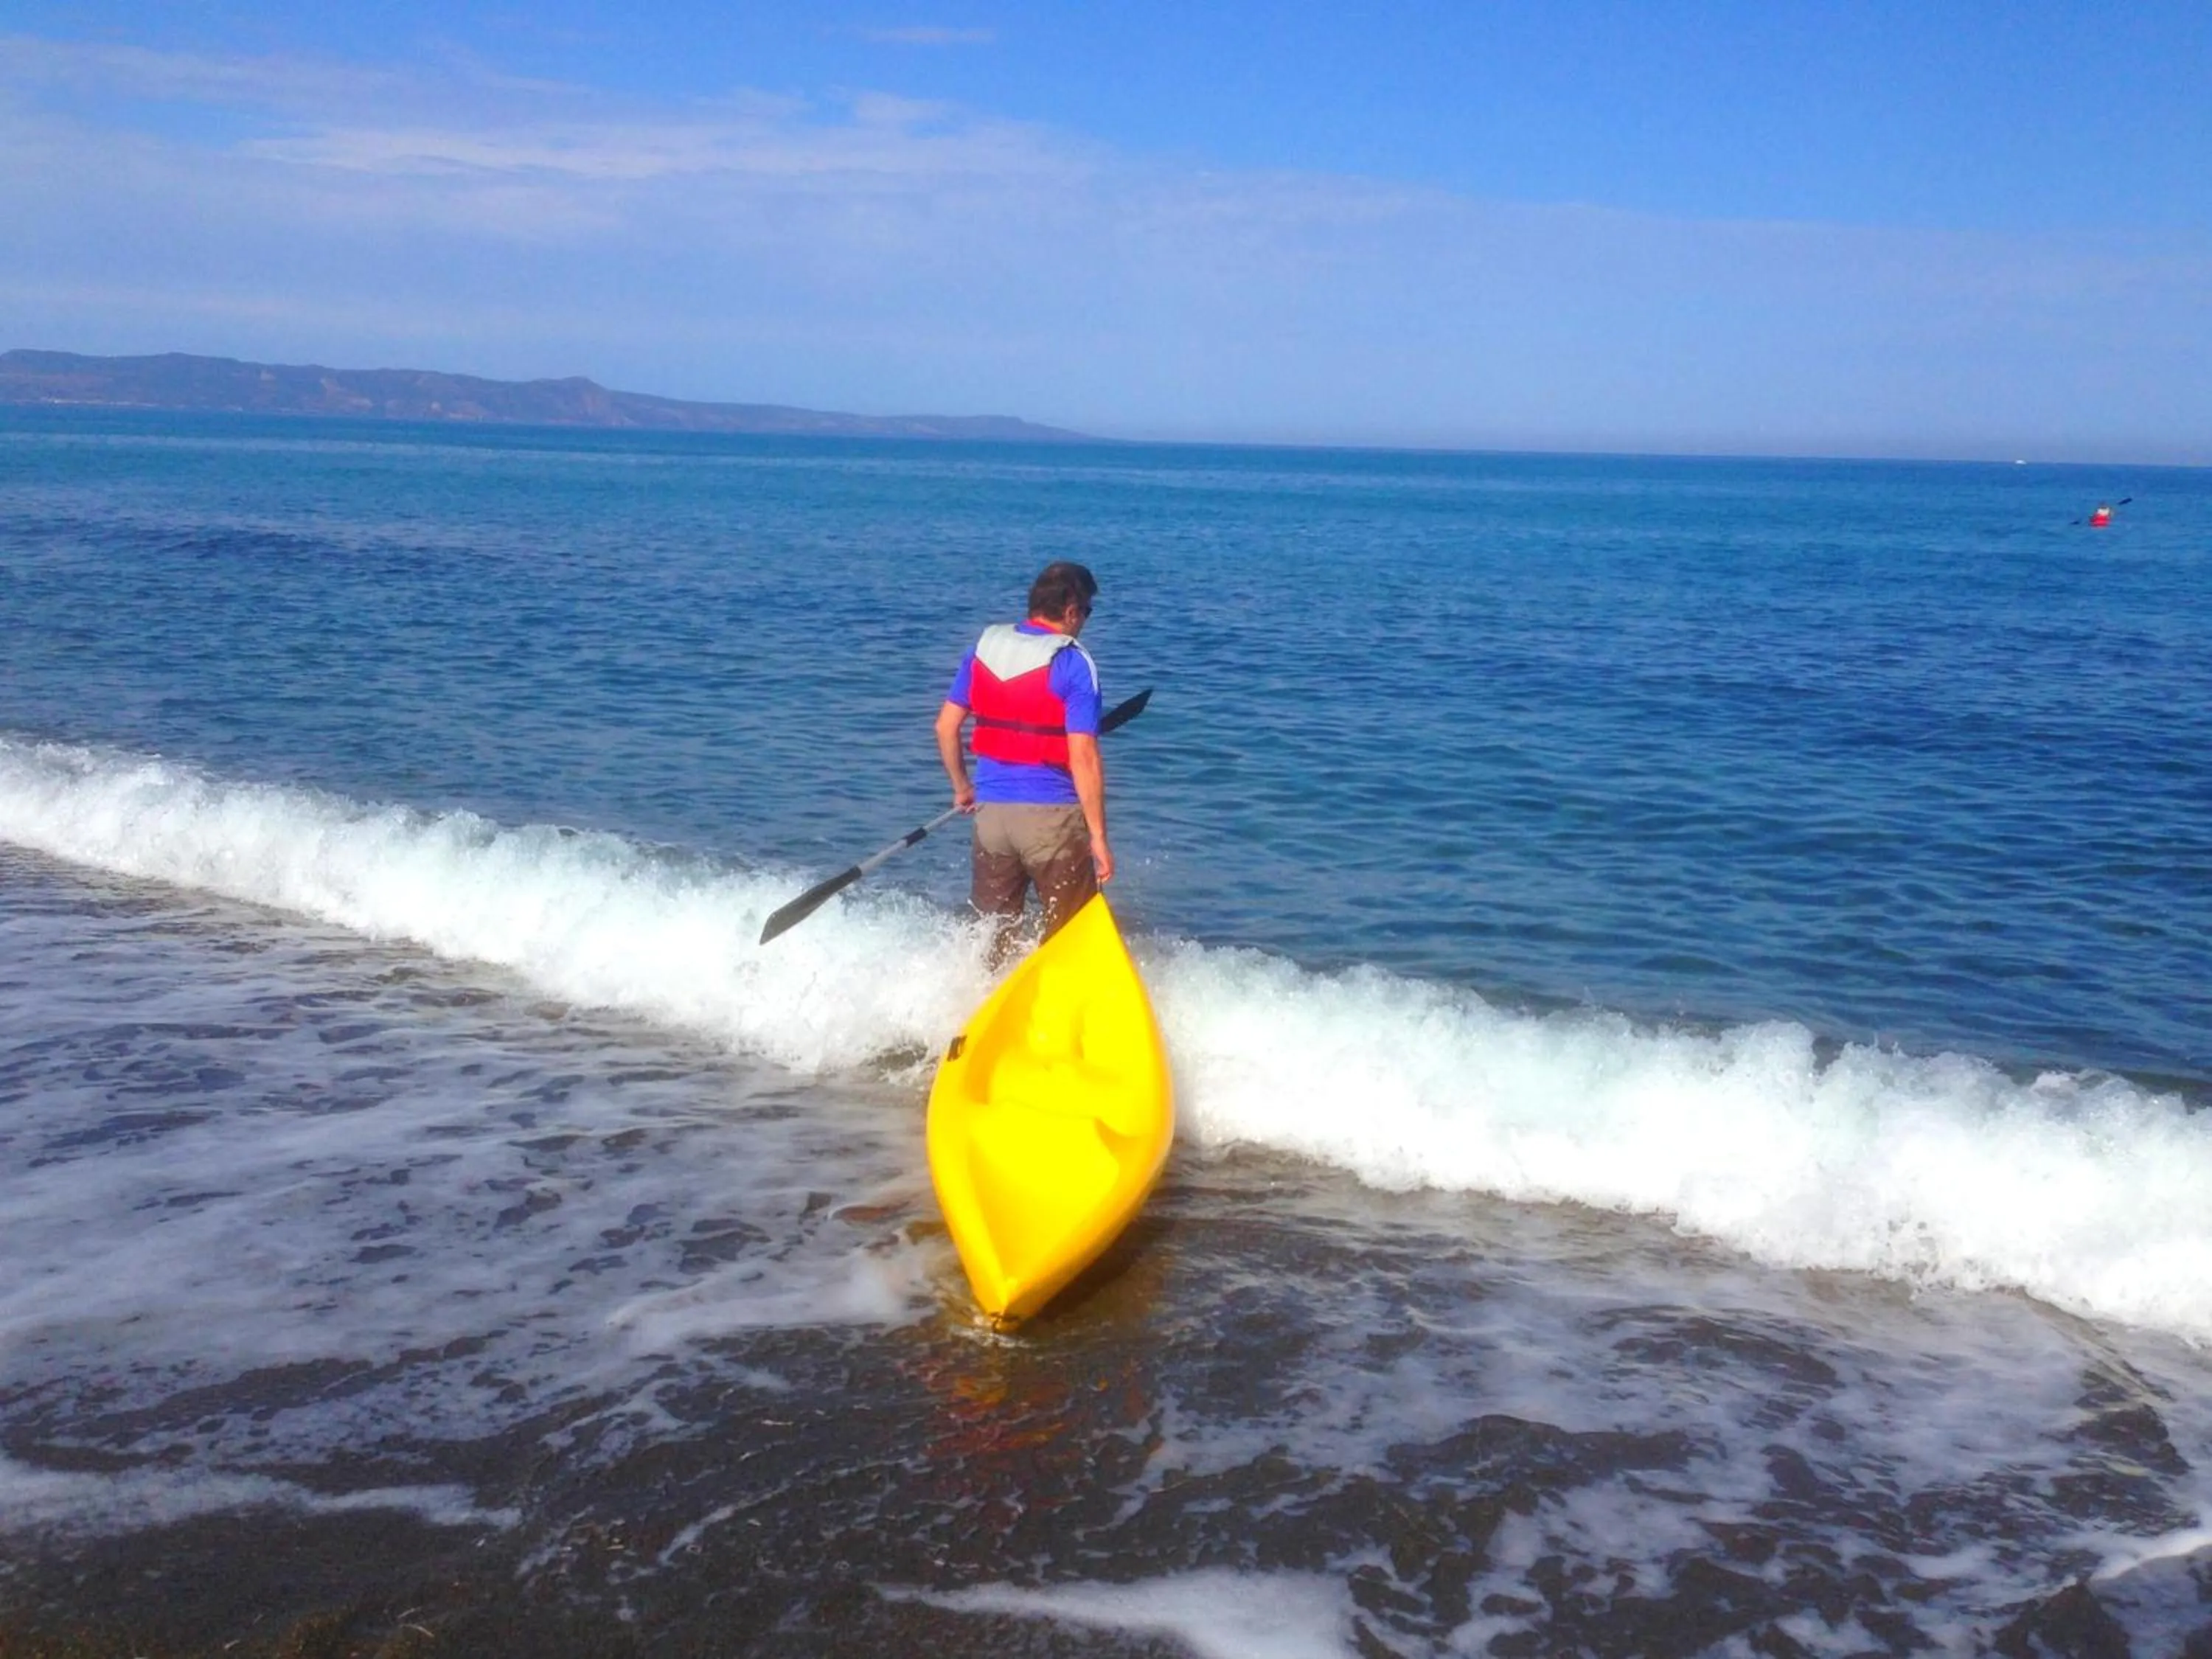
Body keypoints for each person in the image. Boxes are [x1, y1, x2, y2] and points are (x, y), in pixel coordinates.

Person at [936, 561, 1112, 960]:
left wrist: (963, 788)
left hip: (991, 818)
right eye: (1087, 612)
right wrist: (1099, 837)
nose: (1084, 621)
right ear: (1071, 610)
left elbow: (946, 728)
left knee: (992, 940)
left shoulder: (984, 648)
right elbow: (1083, 756)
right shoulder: (1073, 661)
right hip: (1051, 821)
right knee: (1074, 936)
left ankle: (983, 1009)